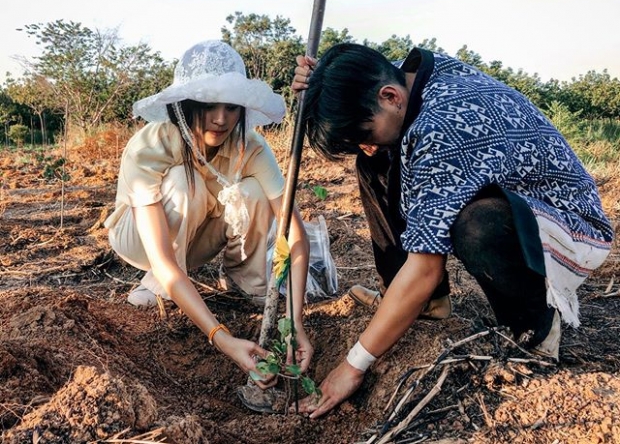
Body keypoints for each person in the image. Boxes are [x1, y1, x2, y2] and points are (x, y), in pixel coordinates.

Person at [290, 43, 614, 418]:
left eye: (364, 130)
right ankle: (426, 305)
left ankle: (535, 330)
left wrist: (353, 365)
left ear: (390, 97)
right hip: (519, 202)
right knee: (374, 159)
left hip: (567, 227)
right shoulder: (409, 75)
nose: (364, 141)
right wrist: (322, 81)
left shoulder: (440, 128)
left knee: (477, 226)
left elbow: (425, 267)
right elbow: (361, 74)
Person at [104, 39, 312, 386]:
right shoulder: (151, 145)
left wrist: (296, 322)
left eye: (231, 107)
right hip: (140, 240)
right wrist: (221, 337)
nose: (220, 119)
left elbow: (295, 233)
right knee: (186, 183)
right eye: (207, 105)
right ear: (186, 104)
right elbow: (164, 259)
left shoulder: (251, 146)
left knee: (253, 191)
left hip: (197, 238)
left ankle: (249, 282)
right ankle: (158, 287)